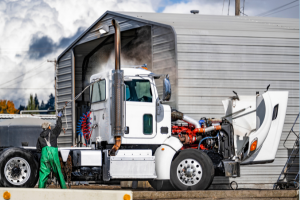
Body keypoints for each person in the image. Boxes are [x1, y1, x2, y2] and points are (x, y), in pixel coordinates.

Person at [36, 111, 67, 189]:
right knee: (58, 172)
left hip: (44, 155)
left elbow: (38, 150)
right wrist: (59, 117)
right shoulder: (53, 133)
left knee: (43, 174)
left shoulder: (40, 138)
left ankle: (40, 191)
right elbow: (58, 126)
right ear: (49, 127)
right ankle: (64, 189)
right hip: (53, 153)